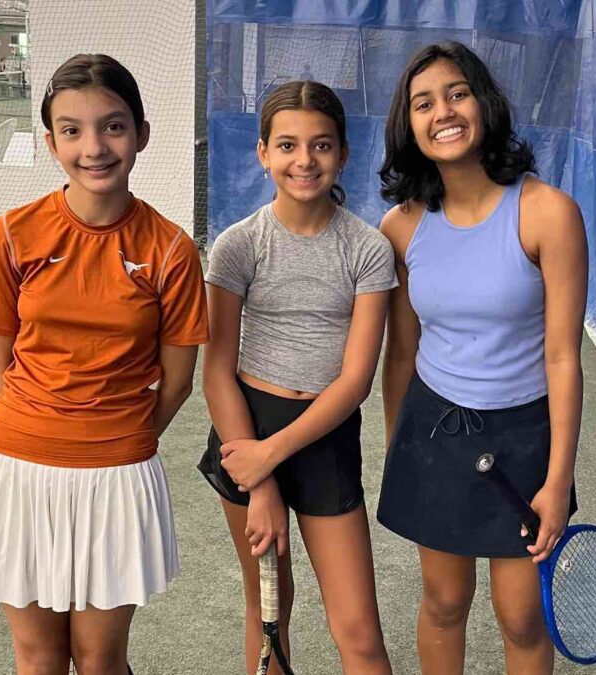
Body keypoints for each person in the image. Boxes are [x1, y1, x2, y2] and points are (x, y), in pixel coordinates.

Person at [0, 53, 208, 675]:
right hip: (17, 471)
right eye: (72, 130)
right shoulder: (13, 234)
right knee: (38, 659)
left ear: (141, 133)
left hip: (117, 476)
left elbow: (177, 380)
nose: (93, 147)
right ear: (50, 142)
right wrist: (38, 432)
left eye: (113, 126)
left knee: (100, 659)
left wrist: (115, 439)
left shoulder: (170, 249)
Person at [375, 42, 588, 675]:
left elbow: (563, 358)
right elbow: (402, 354)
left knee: (521, 615)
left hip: (525, 440)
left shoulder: (548, 213)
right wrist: (399, 451)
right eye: (423, 103)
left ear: (484, 104)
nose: (442, 111)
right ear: (408, 125)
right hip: (434, 434)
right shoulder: (402, 227)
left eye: (456, 93)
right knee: (443, 602)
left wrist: (556, 482)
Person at [199, 80, 395, 675]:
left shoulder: (367, 249)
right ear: (262, 153)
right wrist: (258, 479)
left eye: (320, 145)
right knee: (268, 610)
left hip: (323, 437)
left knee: (358, 629)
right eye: (286, 145)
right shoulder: (237, 246)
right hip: (244, 431)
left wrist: (272, 457)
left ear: (342, 153)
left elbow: (356, 380)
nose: (303, 160)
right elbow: (217, 372)